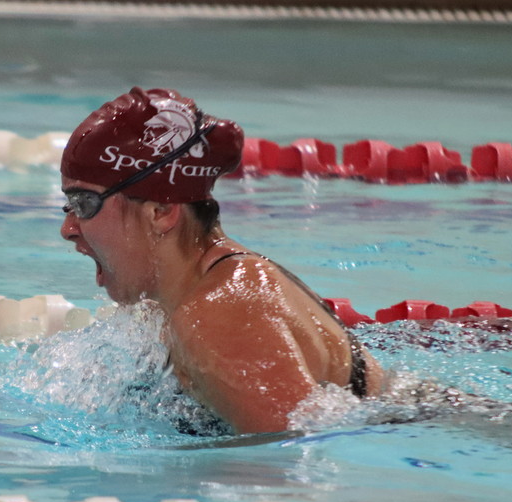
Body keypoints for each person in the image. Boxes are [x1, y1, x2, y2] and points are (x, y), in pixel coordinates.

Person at [59, 87, 384, 434]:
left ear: (161, 212)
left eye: (84, 204)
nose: (68, 229)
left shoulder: (220, 310)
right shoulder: (182, 299)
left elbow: (288, 455)